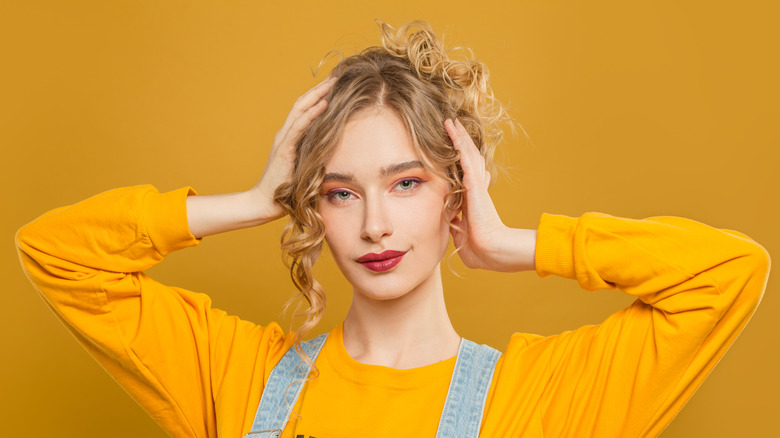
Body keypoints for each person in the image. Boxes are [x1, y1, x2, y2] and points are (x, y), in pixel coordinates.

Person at [16, 21, 769, 438]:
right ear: (313, 208)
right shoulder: (236, 378)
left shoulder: (539, 399)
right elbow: (56, 252)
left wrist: (513, 245)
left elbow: (726, 275)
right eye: (341, 193)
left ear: (456, 194)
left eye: (407, 183)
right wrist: (254, 199)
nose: (375, 224)